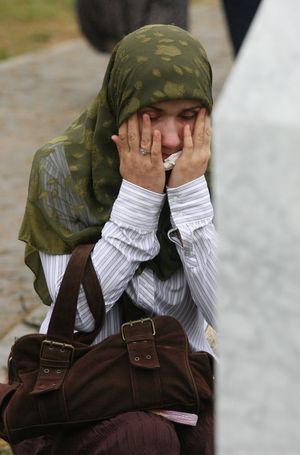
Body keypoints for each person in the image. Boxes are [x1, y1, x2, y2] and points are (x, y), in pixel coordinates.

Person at [15, 24, 215, 454]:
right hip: (83, 388)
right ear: (119, 103)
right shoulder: (62, 166)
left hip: (186, 381)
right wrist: (140, 199)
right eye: (152, 114)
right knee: (143, 437)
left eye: (188, 115)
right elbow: (80, 314)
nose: (171, 139)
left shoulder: (214, 168)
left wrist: (190, 198)